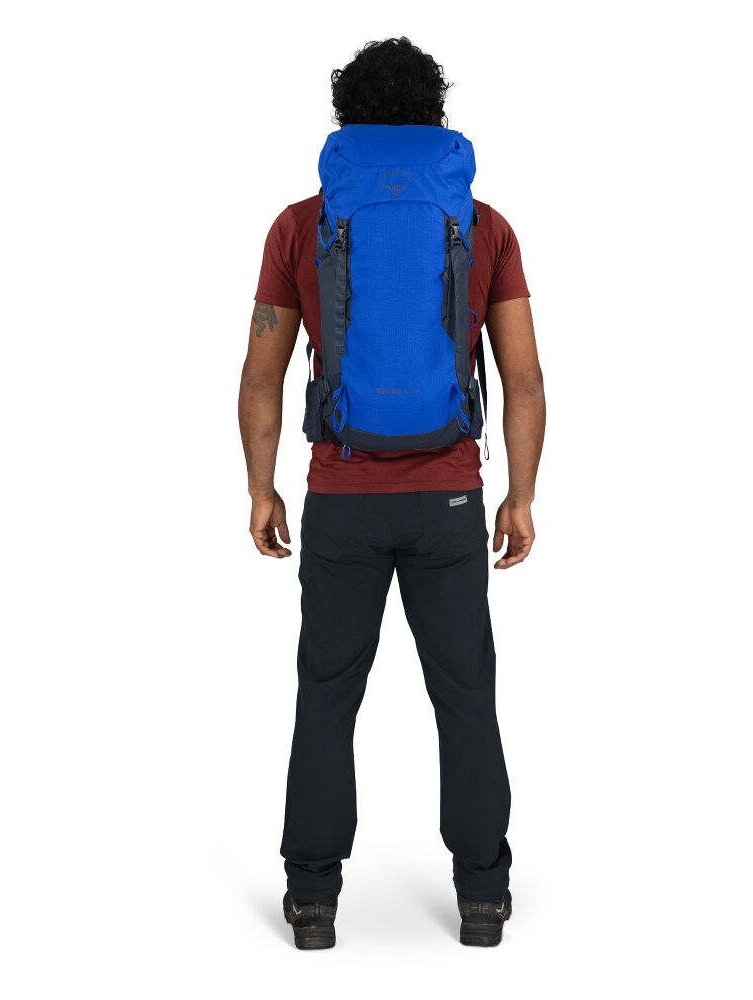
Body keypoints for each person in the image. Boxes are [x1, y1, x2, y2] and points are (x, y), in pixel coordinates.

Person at [239, 37, 545, 949]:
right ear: (432, 115)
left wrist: (262, 488)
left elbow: (261, 374)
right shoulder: (483, 225)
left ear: (349, 117)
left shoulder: (302, 224)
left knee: (327, 697)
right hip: (450, 500)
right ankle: (483, 898)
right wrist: (519, 496)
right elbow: (524, 380)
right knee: (466, 696)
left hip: (340, 497)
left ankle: (312, 902)